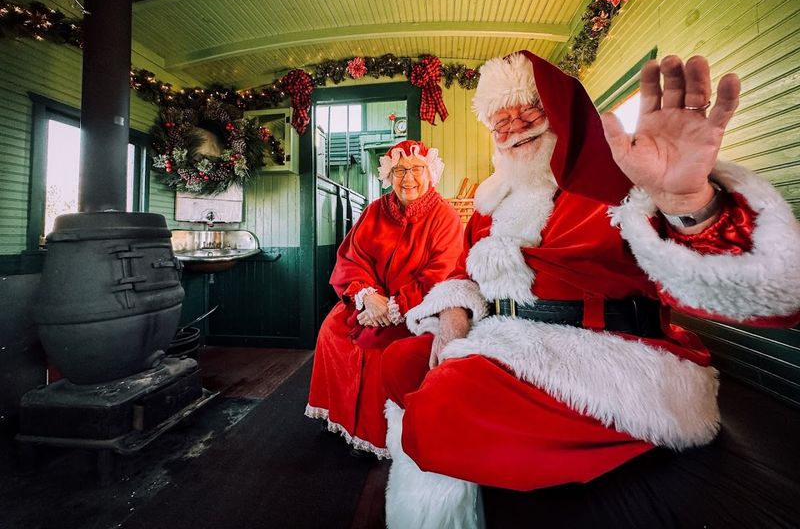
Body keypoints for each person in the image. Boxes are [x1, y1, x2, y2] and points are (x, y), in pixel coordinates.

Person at [380, 52, 800, 527]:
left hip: (605, 357)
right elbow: (462, 271)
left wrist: (689, 202)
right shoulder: (492, 201)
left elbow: (774, 294)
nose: (514, 127)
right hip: (503, 337)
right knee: (399, 362)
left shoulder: (622, 180)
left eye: (528, 111)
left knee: (441, 406)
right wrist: (453, 318)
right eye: (500, 120)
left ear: (561, 113)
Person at [305, 140, 463, 458]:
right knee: (332, 330)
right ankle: (339, 417)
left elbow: (440, 273)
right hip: (370, 300)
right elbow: (352, 257)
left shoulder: (445, 216)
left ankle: (376, 435)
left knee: (379, 346)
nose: (408, 178)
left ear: (430, 172)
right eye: (400, 170)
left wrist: (394, 307)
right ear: (388, 175)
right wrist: (367, 297)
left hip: (416, 307)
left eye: (417, 169)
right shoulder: (375, 210)